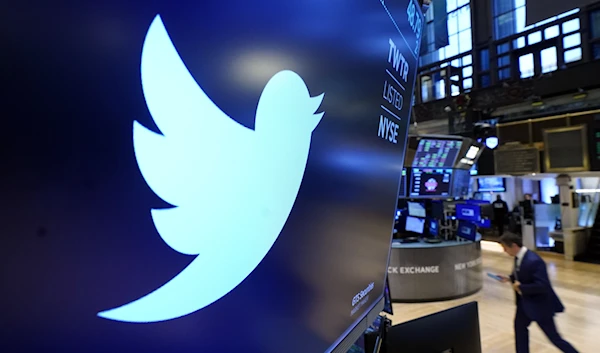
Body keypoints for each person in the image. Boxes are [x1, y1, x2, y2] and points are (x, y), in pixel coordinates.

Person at [498, 233, 578, 353]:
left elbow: (542, 285)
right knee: (520, 329)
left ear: (514, 246)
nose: (504, 251)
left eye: (505, 248)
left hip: (540, 306)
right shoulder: (518, 257)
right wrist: (509, 278)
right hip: (525, 304)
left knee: (554, 338)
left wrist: (522, 288)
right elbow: (522, 276)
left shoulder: (534, 261)